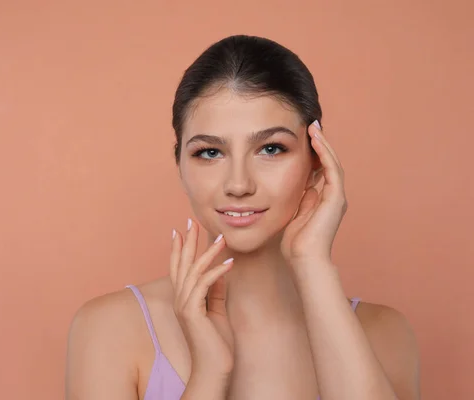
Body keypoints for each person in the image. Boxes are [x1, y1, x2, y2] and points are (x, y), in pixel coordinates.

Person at [65, 34, 420, 399]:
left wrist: (313, 263)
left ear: (316, 162)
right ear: (180, 166)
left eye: (270, 148)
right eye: (209, 152)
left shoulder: (382, 333)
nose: (238, 184)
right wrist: (209, 374)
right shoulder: (111, 329)